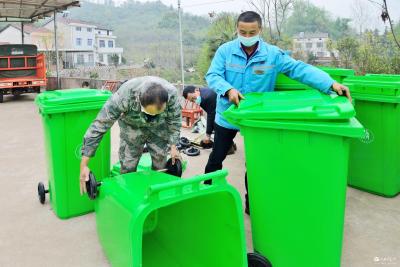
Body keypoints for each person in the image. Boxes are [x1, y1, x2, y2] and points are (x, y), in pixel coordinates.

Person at [204, 11, 352, 214]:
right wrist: (228, 89)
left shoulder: (272, 55)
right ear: (237, 30)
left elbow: (299, 69)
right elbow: (213, 75)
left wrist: (331, 83)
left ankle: (252, 204)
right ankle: (206, 195)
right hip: (227, 115)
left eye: (252, 32)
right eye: (242, 32)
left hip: (256, 119)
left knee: (255, 164)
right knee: (216, 157)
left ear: (260, 30)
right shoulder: (225, 51)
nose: (247, 37)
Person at [79, 76, 182, 194]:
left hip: (159, 127)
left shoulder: (172, 94)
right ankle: (129, 195)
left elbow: (175, 120)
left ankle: (157, 195)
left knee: (161, 164)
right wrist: (84, 164)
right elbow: (99, 126)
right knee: (128, 165)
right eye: (150, 113)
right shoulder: (124, 96)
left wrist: (174, 146)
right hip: (132, 127)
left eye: (157, 113)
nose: (152, 116)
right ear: (139, 101)